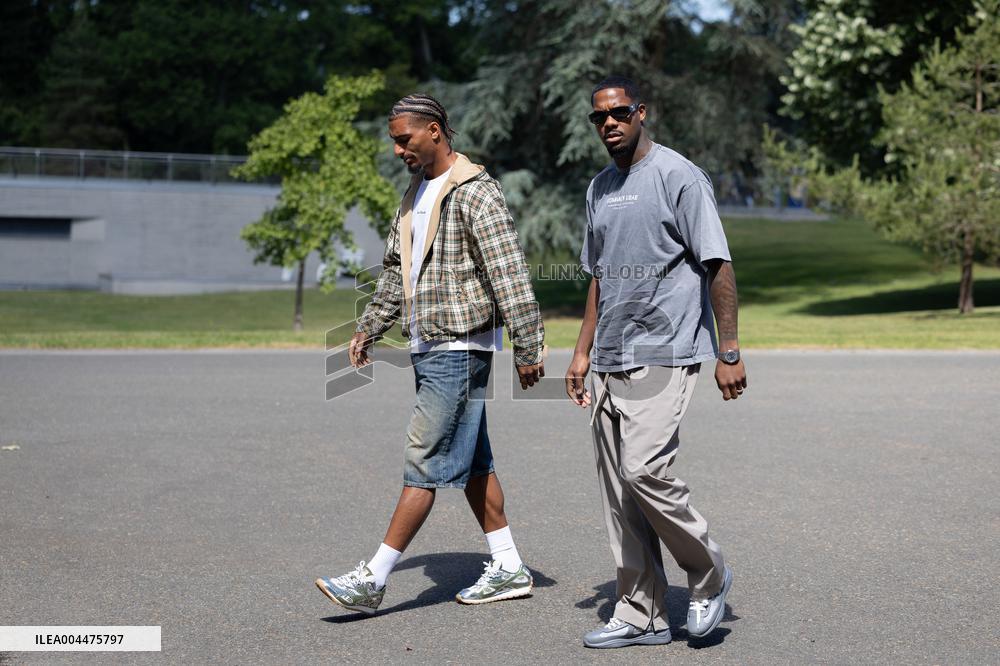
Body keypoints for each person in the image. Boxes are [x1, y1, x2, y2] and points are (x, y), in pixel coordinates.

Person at [315, 94, 546, 615]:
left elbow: (507, 269)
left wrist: (529, 344)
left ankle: (373, 578)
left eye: (405, 139)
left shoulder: (474, 193)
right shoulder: (415, 191)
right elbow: (398, 269)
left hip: (459, 346)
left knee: (424, 460)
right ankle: (508, 565)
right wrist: (369, 326)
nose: (399, 150)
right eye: (395, 140)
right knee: (474, 460)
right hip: (429, 344)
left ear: (436, 131)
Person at [565, 76, 747, 649]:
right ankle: (639, 612)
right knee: (620, 492)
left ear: (641, 112)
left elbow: (717, 263)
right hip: (611, 357)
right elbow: (598, 275)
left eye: (619, 113)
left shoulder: (678, 176)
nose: (609, 124)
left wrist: (730, 350)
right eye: (599, 118)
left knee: (645, 469)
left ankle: (709, 573)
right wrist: (581, 350)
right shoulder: (599, 188)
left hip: (666, 352)